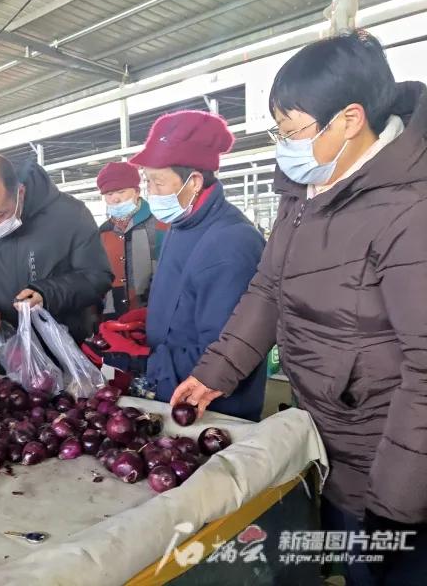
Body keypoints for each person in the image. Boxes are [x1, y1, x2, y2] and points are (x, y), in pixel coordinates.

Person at [172, 31, 427, 584]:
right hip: (329, 433)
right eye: (279, 131)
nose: (283, 144)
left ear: (350, 118)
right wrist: (216, 371)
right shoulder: (304, 193)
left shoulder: (410, 209)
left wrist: (395, 505)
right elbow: (269, 288)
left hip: (393, 462)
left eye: (292, 131)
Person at [131, 110, 266, 421]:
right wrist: (151, 325)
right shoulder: (183, 225)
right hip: (174, 392)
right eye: (147, 181)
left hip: (212, 410)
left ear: (192, 182)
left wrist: (143, 362)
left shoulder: (231, 243)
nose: (150, 193)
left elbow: (221, 350)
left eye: (158, 182)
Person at [0, 155, 112, 345]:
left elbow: (97, 277)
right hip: (10, 344)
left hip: (67, 341)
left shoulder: (70, 215)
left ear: (20, 192)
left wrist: (47, 294)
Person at [96, 161, 167, 319]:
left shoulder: (161, 225)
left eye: (121, 192)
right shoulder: (103, 232)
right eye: (109, 194)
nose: (115, 199)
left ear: (136, 191)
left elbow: (171, 270)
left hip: (152, 315)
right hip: (112, 317)